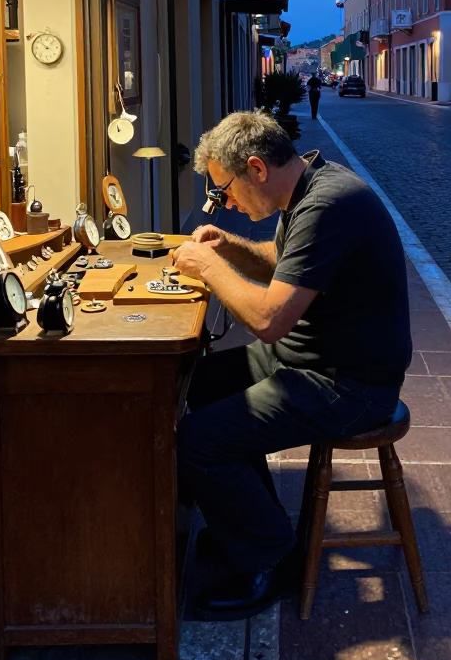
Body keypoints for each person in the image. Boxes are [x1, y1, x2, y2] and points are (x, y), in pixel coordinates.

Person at [171, 110, 411, 621]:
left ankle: (273, 561)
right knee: (204, 383)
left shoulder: (328, 204)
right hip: (311, 360)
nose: (225, 203)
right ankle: (252, 526)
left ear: (256, 168)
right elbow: (285, 262)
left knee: (198, 441)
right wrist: (229, 248)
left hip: (350, 384)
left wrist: (209, 267)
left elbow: (269, 319)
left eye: (224, 190)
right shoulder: (308, 186)